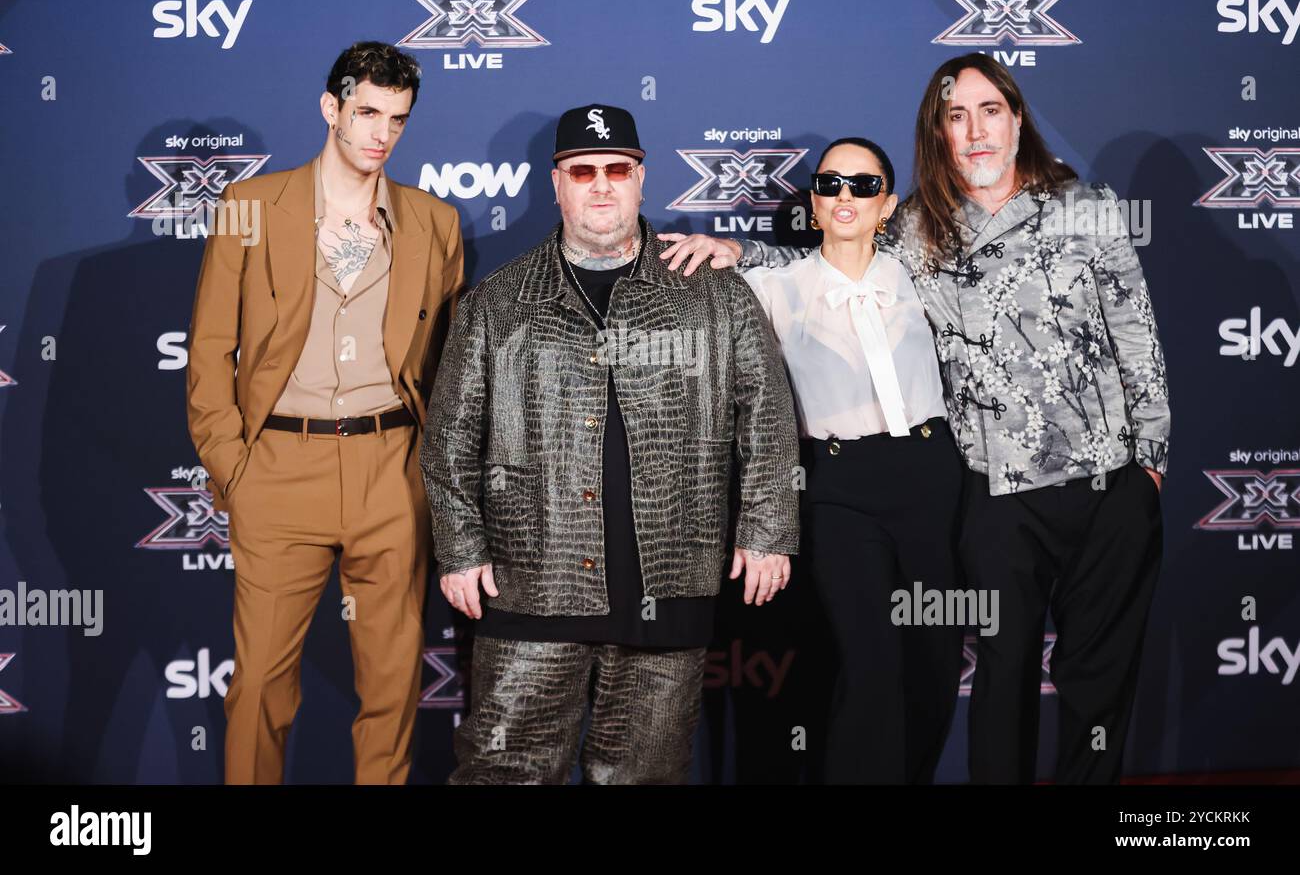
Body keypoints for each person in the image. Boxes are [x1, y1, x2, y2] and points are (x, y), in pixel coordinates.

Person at [660, 53, 1171, 784]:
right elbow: (835, 252)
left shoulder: (1085, 208)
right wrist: (737, 250)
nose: (975, 130)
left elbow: (1137, 336)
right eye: (954, 117)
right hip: (992, 495)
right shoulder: (917, 230)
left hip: (1108, 483)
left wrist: (1149, 468)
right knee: (1000, 680)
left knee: (1098, 686)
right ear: (939, 134)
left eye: (989, 110)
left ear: (1017, 117)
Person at [421, 103, 799, 784]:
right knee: (503, 771)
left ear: (641, 179)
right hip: (530, 582)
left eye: (616, 169)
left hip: (670, 580)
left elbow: (767, 417)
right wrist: (460, 547)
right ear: (558, 182)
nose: (601, 184)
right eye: (583, 170)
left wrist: (768, 530)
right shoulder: (496, 301)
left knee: (643, 776)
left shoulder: (713, 293)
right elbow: (447, 439)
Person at [186, 41, 465, 784]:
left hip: (391, 469)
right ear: (331, 108)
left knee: (393, 686)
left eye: (397, 119)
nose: (381, 133)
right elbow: (210, 347)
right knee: (258, 690)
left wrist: (434, 471)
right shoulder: (249, 207)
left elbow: (449, 366)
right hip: (277, 469)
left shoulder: (435, 222)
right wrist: (233, 467)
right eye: (367, 112)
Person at [738, 137, 964, 783]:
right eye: (831, 183)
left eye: (863, 186)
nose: (845, 196)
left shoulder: (923, 272)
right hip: (839, 487)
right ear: (813, 199)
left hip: (931, 479)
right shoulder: (774, 286)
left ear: (887, 205)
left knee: (933, 659)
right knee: (869, 662)